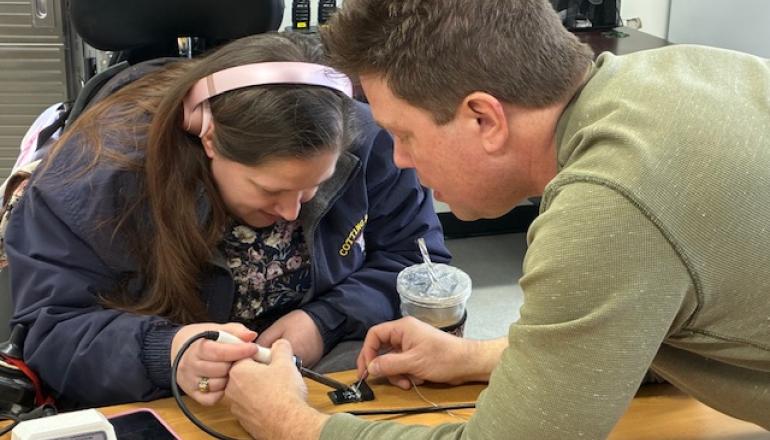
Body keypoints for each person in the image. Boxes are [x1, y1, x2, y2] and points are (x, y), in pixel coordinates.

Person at [223, 0, 770, 438]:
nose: (399, 160)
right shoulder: (687, 72)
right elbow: (635, 333)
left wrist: (290, 423)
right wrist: (474, 356)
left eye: (405, 134)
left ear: (483, 118)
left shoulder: (610, 204)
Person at [5, 32, 450, 408]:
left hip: (320, 362)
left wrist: (322, 321)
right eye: (270, 190)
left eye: (314, 186)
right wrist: (169, 353)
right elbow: (51, 331)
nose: (293, 212)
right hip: (155, 391)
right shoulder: (89, 182)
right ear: (209, 139)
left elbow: (419, 264)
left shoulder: (370, 141)